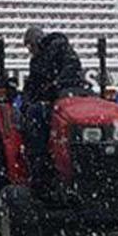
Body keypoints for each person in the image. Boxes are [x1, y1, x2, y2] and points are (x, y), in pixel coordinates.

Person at [20, 27, 88, 196]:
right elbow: (32, 85)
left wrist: (57, 84)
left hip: (70, 93)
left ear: (37, 41)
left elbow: (72, 67)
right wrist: (26, 101)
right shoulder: (35, 62)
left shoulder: (60, 47)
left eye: (30, 46)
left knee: (38, 115)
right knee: (34, 113)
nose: (30, 51)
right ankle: (40, 167)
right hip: (50, 100)